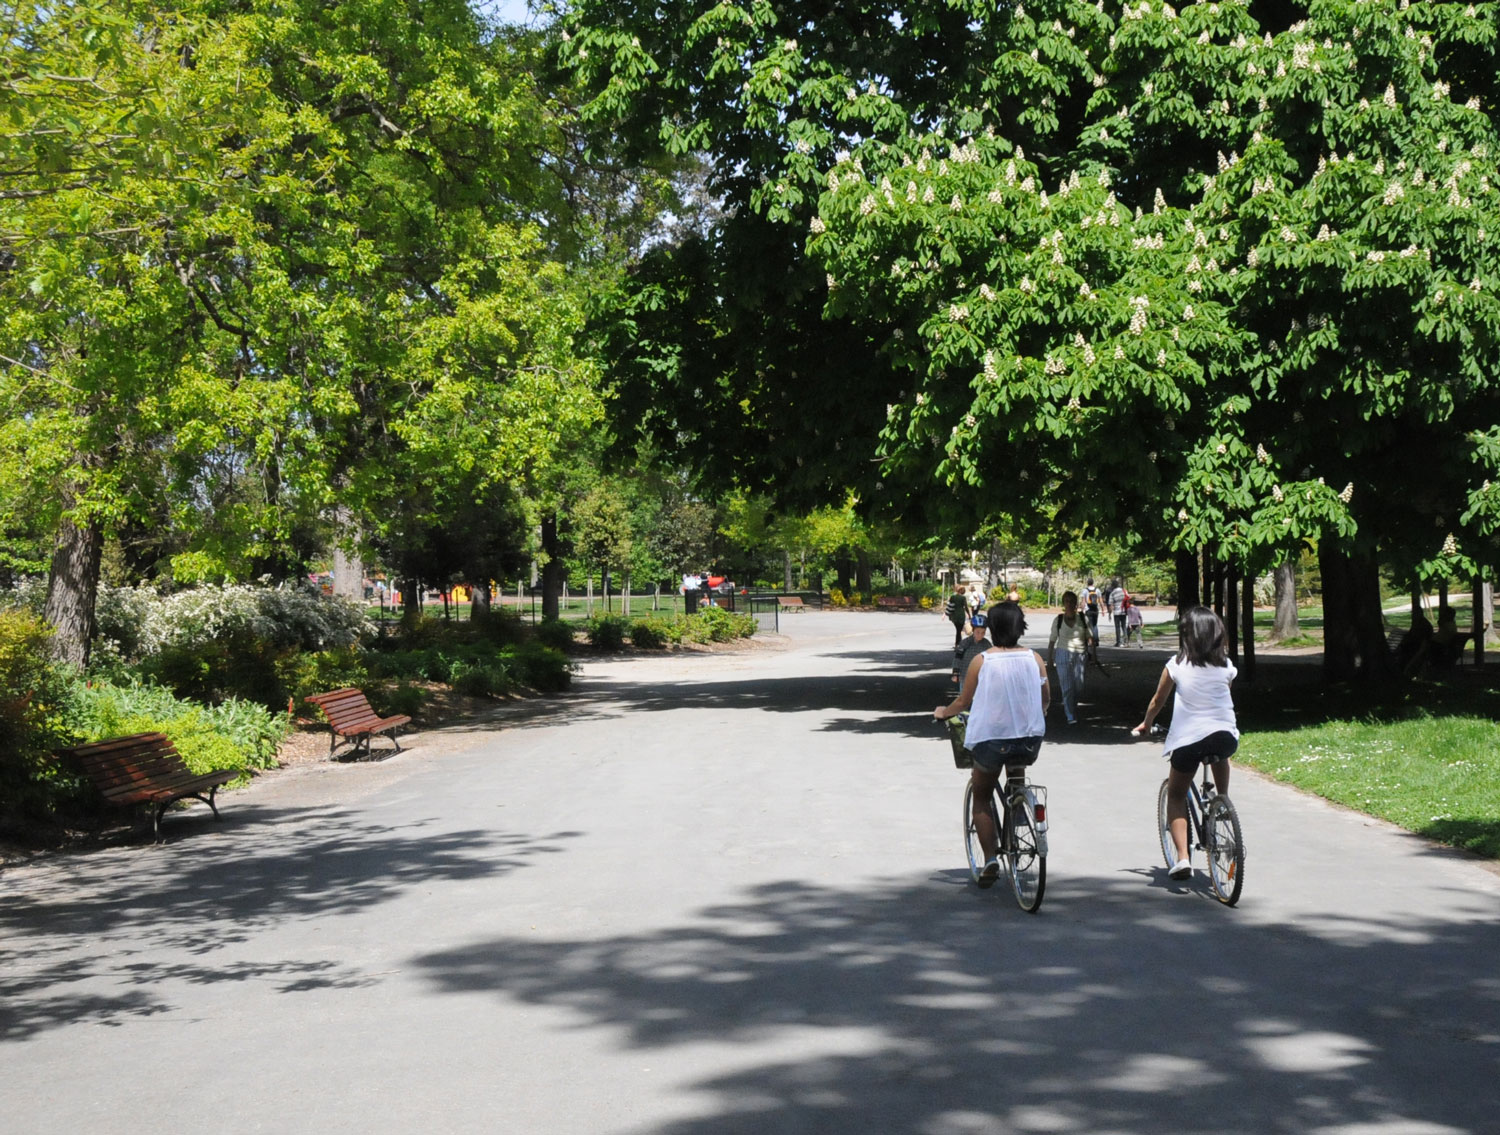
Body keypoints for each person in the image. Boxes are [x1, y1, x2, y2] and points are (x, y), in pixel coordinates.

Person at [935, 601, 1050, 887]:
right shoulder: (1034, 659)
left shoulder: (982, 660)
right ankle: (1018, 817)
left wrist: (943, 712)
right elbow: (1045, 697)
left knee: (982, 796)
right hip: (1029, 739)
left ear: (992, 629)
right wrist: (1038, 713)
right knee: (1016, 778)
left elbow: (964, 701)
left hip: (993, 740)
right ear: (1019, 627)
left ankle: (990, 859)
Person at [1132, 606, 1239, 879]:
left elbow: (1158, 700)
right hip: (1225, 735)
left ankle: (1182, 859)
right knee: (1219, 752)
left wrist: (1146, 723)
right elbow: (1222, 696)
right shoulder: (1225, 665)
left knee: (1177, 794)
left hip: (1189, 739)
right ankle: (1222, 801)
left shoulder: (1176, 664)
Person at [1047, 590, 1094, 724]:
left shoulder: (1083, 619)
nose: (1069, 604)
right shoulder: (1058, 620)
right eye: (1066, 601)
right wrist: (1050, 659)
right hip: (1062, 653)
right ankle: (1070, 715)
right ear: (1063, 603)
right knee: (1066, 687)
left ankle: (1073, 704)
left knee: (1079, 685)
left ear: (1076, 604)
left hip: (1080, 653)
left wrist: (1094, 656)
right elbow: (1052, 641)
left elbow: (1090, 638)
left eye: (1072, 601)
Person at [951, 611, 992, 687]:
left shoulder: (987, 644)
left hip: (982, 678)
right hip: (965, 676)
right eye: (978, 632)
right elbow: (958, 658)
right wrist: (955, 673)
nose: (980, 635)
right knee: (965, 697)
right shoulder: (965, 643)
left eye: (983, 632)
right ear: (973, 630)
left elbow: (991, 660)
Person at [1109, 580, 1128, 646]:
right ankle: (1126, 641)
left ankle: (1118, 642)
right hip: (1123, 611)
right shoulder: (1124, 591)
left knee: (1117, 627)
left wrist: (1109, 614)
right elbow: (1128, 599)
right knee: (1124, 626)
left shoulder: (1112, 593)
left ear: (1113, 586)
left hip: (1116, 612)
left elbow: (1111, 605)